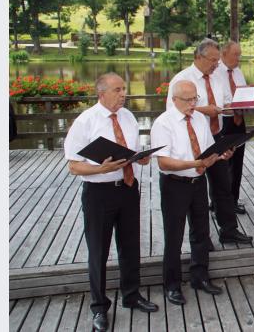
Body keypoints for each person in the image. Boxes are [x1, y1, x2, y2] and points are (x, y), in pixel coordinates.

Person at [64, 73, 158, 332]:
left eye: (124, 88)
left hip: (128, 188)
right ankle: (99, 308)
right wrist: (100, 170)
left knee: (130, 246)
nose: (123, 94)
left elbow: (132, 150)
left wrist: (141, 158)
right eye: (117, 89)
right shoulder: (86, 121)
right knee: (98, 252)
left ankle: (131, 295)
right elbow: (73, 165)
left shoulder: (128, 116)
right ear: (101, 93)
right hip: (99, 194)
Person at [151, 80, 233, 305]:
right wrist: (195, 162)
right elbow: (164, 163)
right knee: (174, 237)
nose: (193, 104)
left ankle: (200, 277)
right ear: (174, 100)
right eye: (188, 100)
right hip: (174, 184)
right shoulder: (163, 123)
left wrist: (220, 155)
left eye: (195, 99)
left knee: (201, 232)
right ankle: (172, 285)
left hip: (198, 182)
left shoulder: (198, 118)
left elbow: (207, 151)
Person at [166, 39, 253, 245]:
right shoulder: (182, 80)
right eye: (213, 60)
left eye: (217, 60)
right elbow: (172, 113)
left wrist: (245, 105)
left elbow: (225, 104)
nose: (216, 64)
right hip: (191, 140)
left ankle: (229, 230)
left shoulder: (216, 78)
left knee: (222, 184)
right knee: (196, 190)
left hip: (216, 136)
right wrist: (206, 110)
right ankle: (200, 238)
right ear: (198, 57)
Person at [216, 41, 250, 214]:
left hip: (239, 120)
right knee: (221, 163)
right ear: (224, 53)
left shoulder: (238, 72)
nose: (239, 58)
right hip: (223, 121)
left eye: (240, 54)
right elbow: (213, 99)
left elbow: (243, 93)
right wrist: (229, 105)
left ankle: (233, 200)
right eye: (236, 54)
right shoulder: (215, 71)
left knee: (237, 162)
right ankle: (217, 202)